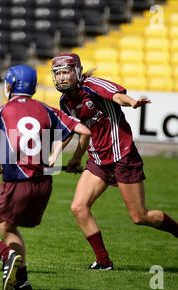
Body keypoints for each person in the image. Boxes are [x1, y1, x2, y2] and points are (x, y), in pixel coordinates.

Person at [0, 65, 91, 290]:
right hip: (43, 185)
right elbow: (84, 131)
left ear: (10, 85)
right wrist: (73, 159)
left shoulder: (3, 111)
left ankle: (6, 256)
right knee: (8, 226)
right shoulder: (47, 109)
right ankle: (22, 280)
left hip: (17, 185)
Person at [51, 53, 178, 270]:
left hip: (122, 155)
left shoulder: (92, 85)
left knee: (140, 216)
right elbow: (73, 132)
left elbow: (118, 96)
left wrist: (133, 103)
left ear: (77, 72)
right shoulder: (65, 102)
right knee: (79, 207)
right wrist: (65, 157)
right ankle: (103, 261)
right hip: (98, 161)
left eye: (66, 72)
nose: (62, 78)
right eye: (58, 74)